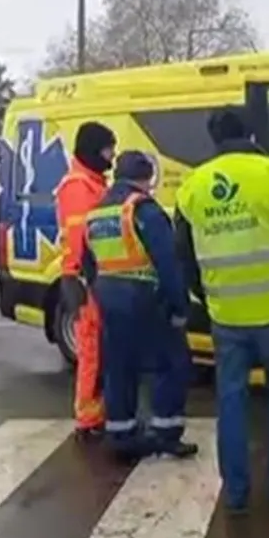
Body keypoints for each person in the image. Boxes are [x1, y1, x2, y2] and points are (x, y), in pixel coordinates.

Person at [174, 108, 269, 513]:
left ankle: (236, 493)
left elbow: (183, 257)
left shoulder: (192, 187)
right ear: (252, 133)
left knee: (231, 399)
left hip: (227, 315)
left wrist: (208, 297)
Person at [82, 151, 199, 462]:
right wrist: (180, 306)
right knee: (170, 363)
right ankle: (165, 433)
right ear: (147, 179)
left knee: (119, 367)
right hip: (145, 297)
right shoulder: (142, 209)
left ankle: (121, 433)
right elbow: (168, 262)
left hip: (109, 298)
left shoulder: (96, 213)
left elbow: (88, 264)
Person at [56, 122, 117, 441]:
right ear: (94, 149)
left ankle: (97, 412)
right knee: (91, 350)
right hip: (85, 279)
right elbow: (85, 240)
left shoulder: (92, 183)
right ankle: (88, 418)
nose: (112, 156)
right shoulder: (79, 186)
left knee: (100, 348)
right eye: (108, 149)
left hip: (91, 278)